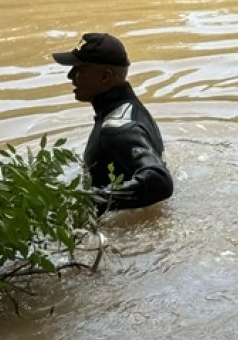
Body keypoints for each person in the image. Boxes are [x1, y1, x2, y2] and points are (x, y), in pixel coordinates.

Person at [53, 33, 173, 213]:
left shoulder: (116, 130)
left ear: (105, 77)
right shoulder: (132, 108)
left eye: (80, 69)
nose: (70, 75)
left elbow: (159, 181)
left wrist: (88, 202)